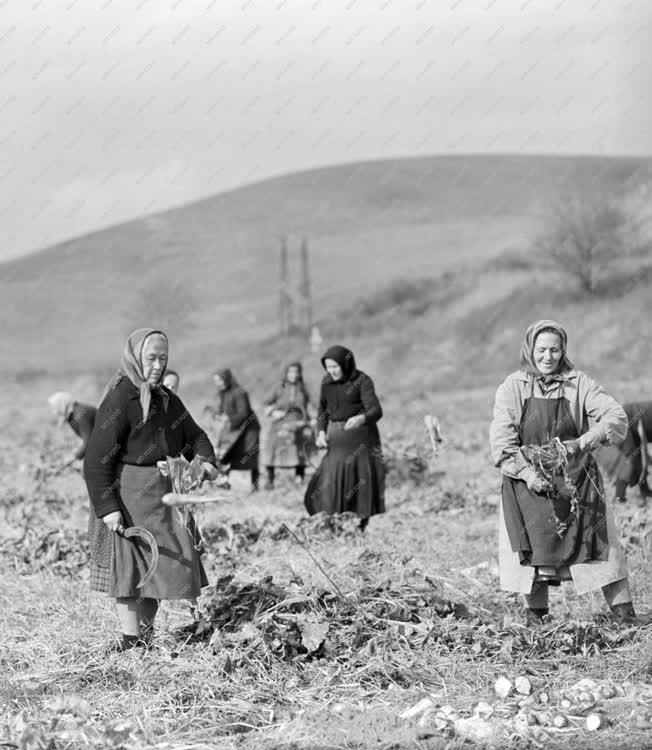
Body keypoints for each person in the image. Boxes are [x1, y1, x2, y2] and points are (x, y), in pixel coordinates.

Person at [489, 319, 636, 625]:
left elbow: (615, 416)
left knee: (602, 547)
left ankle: (625, 620)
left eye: (555, 349)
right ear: (530, 349)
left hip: (577, 480)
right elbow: (502, 445)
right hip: (527, 482)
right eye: (541, 349)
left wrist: (584, 442)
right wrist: (529, 474)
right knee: (532, 555)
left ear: (563, 350)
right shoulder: (512, 387)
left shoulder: (578, 383)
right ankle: (537, 622)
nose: (548, 356)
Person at [84, 328, 218, 652]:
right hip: (127, 498)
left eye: (163, 358)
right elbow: (95, 460)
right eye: (150, 358)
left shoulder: (167, 401)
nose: (157, 365)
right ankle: (132, 644)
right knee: (130, 574)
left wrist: (202, 463)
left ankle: (145, 637)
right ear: (134, 357)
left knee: (160, 569)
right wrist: (108, 508)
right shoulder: (121, 397)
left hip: (163, 499)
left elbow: (196, 437)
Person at [304, 345, 385, 531]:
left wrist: (361, 418)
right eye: (328, 367)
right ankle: (332, 522)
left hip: (361, 438)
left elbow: (376, 410)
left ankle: (360, 525)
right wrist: (321, 433)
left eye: (335, 367)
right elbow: (322, 412)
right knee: (328, 480)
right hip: (337, 439)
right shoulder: (327, 383)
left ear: (345, 364)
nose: (331, 371)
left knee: (358, 480)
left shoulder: (362, 381)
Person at [260, 362, 313, 490]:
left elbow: (312, 405)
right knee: (272, 447)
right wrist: (273, 412)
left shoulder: (303, 388)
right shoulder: (280, 387)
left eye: (296, 372)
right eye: (291, 372)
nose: (293, 375)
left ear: (300, 373)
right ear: (286, 373)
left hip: (297, 423)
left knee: (299, 450)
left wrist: (310, 419)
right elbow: (266, 404)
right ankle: (270, 480)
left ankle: (299, 479)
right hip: (279, 423)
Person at [210, 368, 261, 492]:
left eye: (220, 380)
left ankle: (253, 485)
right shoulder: (224, 393)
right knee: (228, 455)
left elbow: (244, 413)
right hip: (234, 430)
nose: (218, 383)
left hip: (248, 429)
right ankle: (226, 484)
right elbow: (223, 410)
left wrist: (228, 418)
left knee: (248, 455)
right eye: (216, 381)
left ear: (226, 379)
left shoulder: (240, 392)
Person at [595, 401, 652, 507]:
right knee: (631, 459)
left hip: (631, 423)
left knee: (637, 459)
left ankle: (645, 491)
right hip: (622, 420)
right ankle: (619, 497)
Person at [47, 391, 97, 467]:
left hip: (109, 441)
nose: (55, 412)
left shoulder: (79, 415)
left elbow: (89, 442)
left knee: (88, 471)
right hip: (100, 440)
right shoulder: (74, 411)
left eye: (55, 408)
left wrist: (74, 457)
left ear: (61, 405)